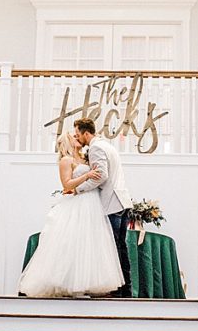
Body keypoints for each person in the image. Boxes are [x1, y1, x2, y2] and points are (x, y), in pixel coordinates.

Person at [17, 130, 125, 298]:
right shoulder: (65, 161)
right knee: (72, 243)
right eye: (73, 137)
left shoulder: (84, 158)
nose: (77, 138)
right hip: (77, 203)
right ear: (68, 142)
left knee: (90, 244)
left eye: (77, 135)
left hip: (92, 204)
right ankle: (69, 284)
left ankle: (88, 283)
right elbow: (67, 185)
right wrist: (88, 175)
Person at [73, 118, 134, 298]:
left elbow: (101, 176)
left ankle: (118, 291)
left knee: (113, 249)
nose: (78, 138)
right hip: (122, 201)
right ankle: (126, 290)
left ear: (86, 133)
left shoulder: (95, 148)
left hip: (111, 203)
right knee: (121, 248)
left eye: (78, 135)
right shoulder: (108, 146)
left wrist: (79, 189)